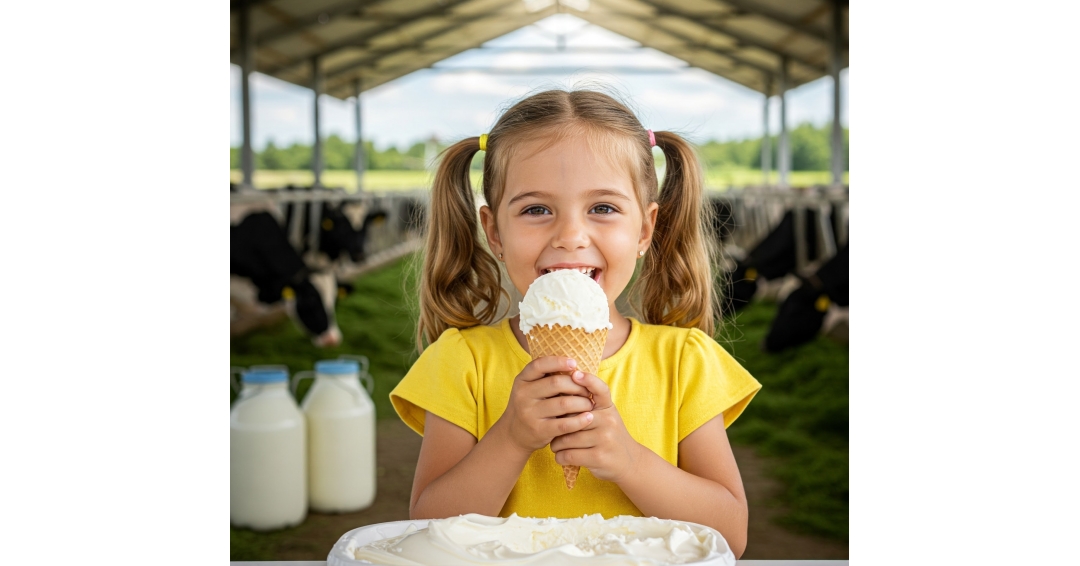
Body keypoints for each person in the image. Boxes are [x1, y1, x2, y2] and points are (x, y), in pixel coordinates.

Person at [389, 89, 762, 557]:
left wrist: (630, 463)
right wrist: (511, 439)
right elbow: (425, 531)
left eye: (602, 208)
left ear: (644, 230)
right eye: (536, 209)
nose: (570, 236)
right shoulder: (461, 362)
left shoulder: (686, 362)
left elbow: (732, 536)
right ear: (494, 232)